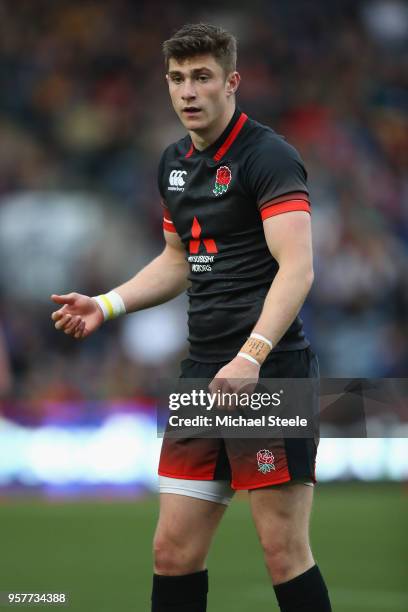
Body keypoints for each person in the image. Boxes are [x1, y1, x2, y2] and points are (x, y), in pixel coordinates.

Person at [51, 23, 332, 612]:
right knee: (171, 553)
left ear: (231, 83)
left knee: (283, 554)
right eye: (177, 79)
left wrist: (250, 357)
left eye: (202, 78)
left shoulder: (269, 156)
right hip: (201, 372)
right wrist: (106, 305)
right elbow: (178, 260)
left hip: (269, 372)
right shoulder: (173, 161)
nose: (187, 92)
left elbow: (298, 268)